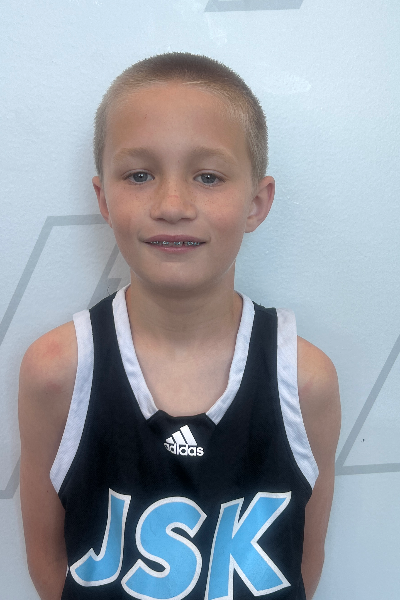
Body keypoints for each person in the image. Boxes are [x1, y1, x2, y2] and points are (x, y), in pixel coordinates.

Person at [18, 52, 341, 600]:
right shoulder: (56, 372)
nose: (172, 204)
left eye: (208, 176)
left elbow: (303, 561)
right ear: (103, 197)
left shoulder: (305, 380)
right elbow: (48, 563)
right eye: (140, 175)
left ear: (256, 203)